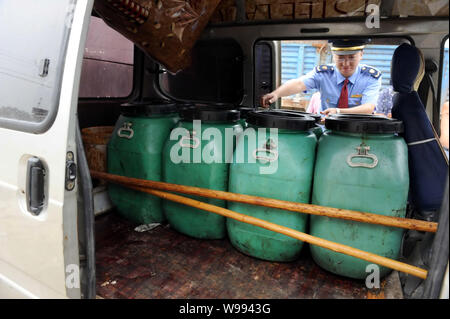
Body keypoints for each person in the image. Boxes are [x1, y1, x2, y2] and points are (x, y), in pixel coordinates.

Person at [261, 39, 382, 116]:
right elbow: (298, 83)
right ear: (333, 56)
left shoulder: (370, 77)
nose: (345, 63)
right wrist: (276, 94)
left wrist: (338, 111)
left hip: (356, 131)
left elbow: (368, 108)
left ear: (361, 55)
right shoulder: (323, 74)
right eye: (340, 57)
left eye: (351, 57)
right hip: (326, 130)